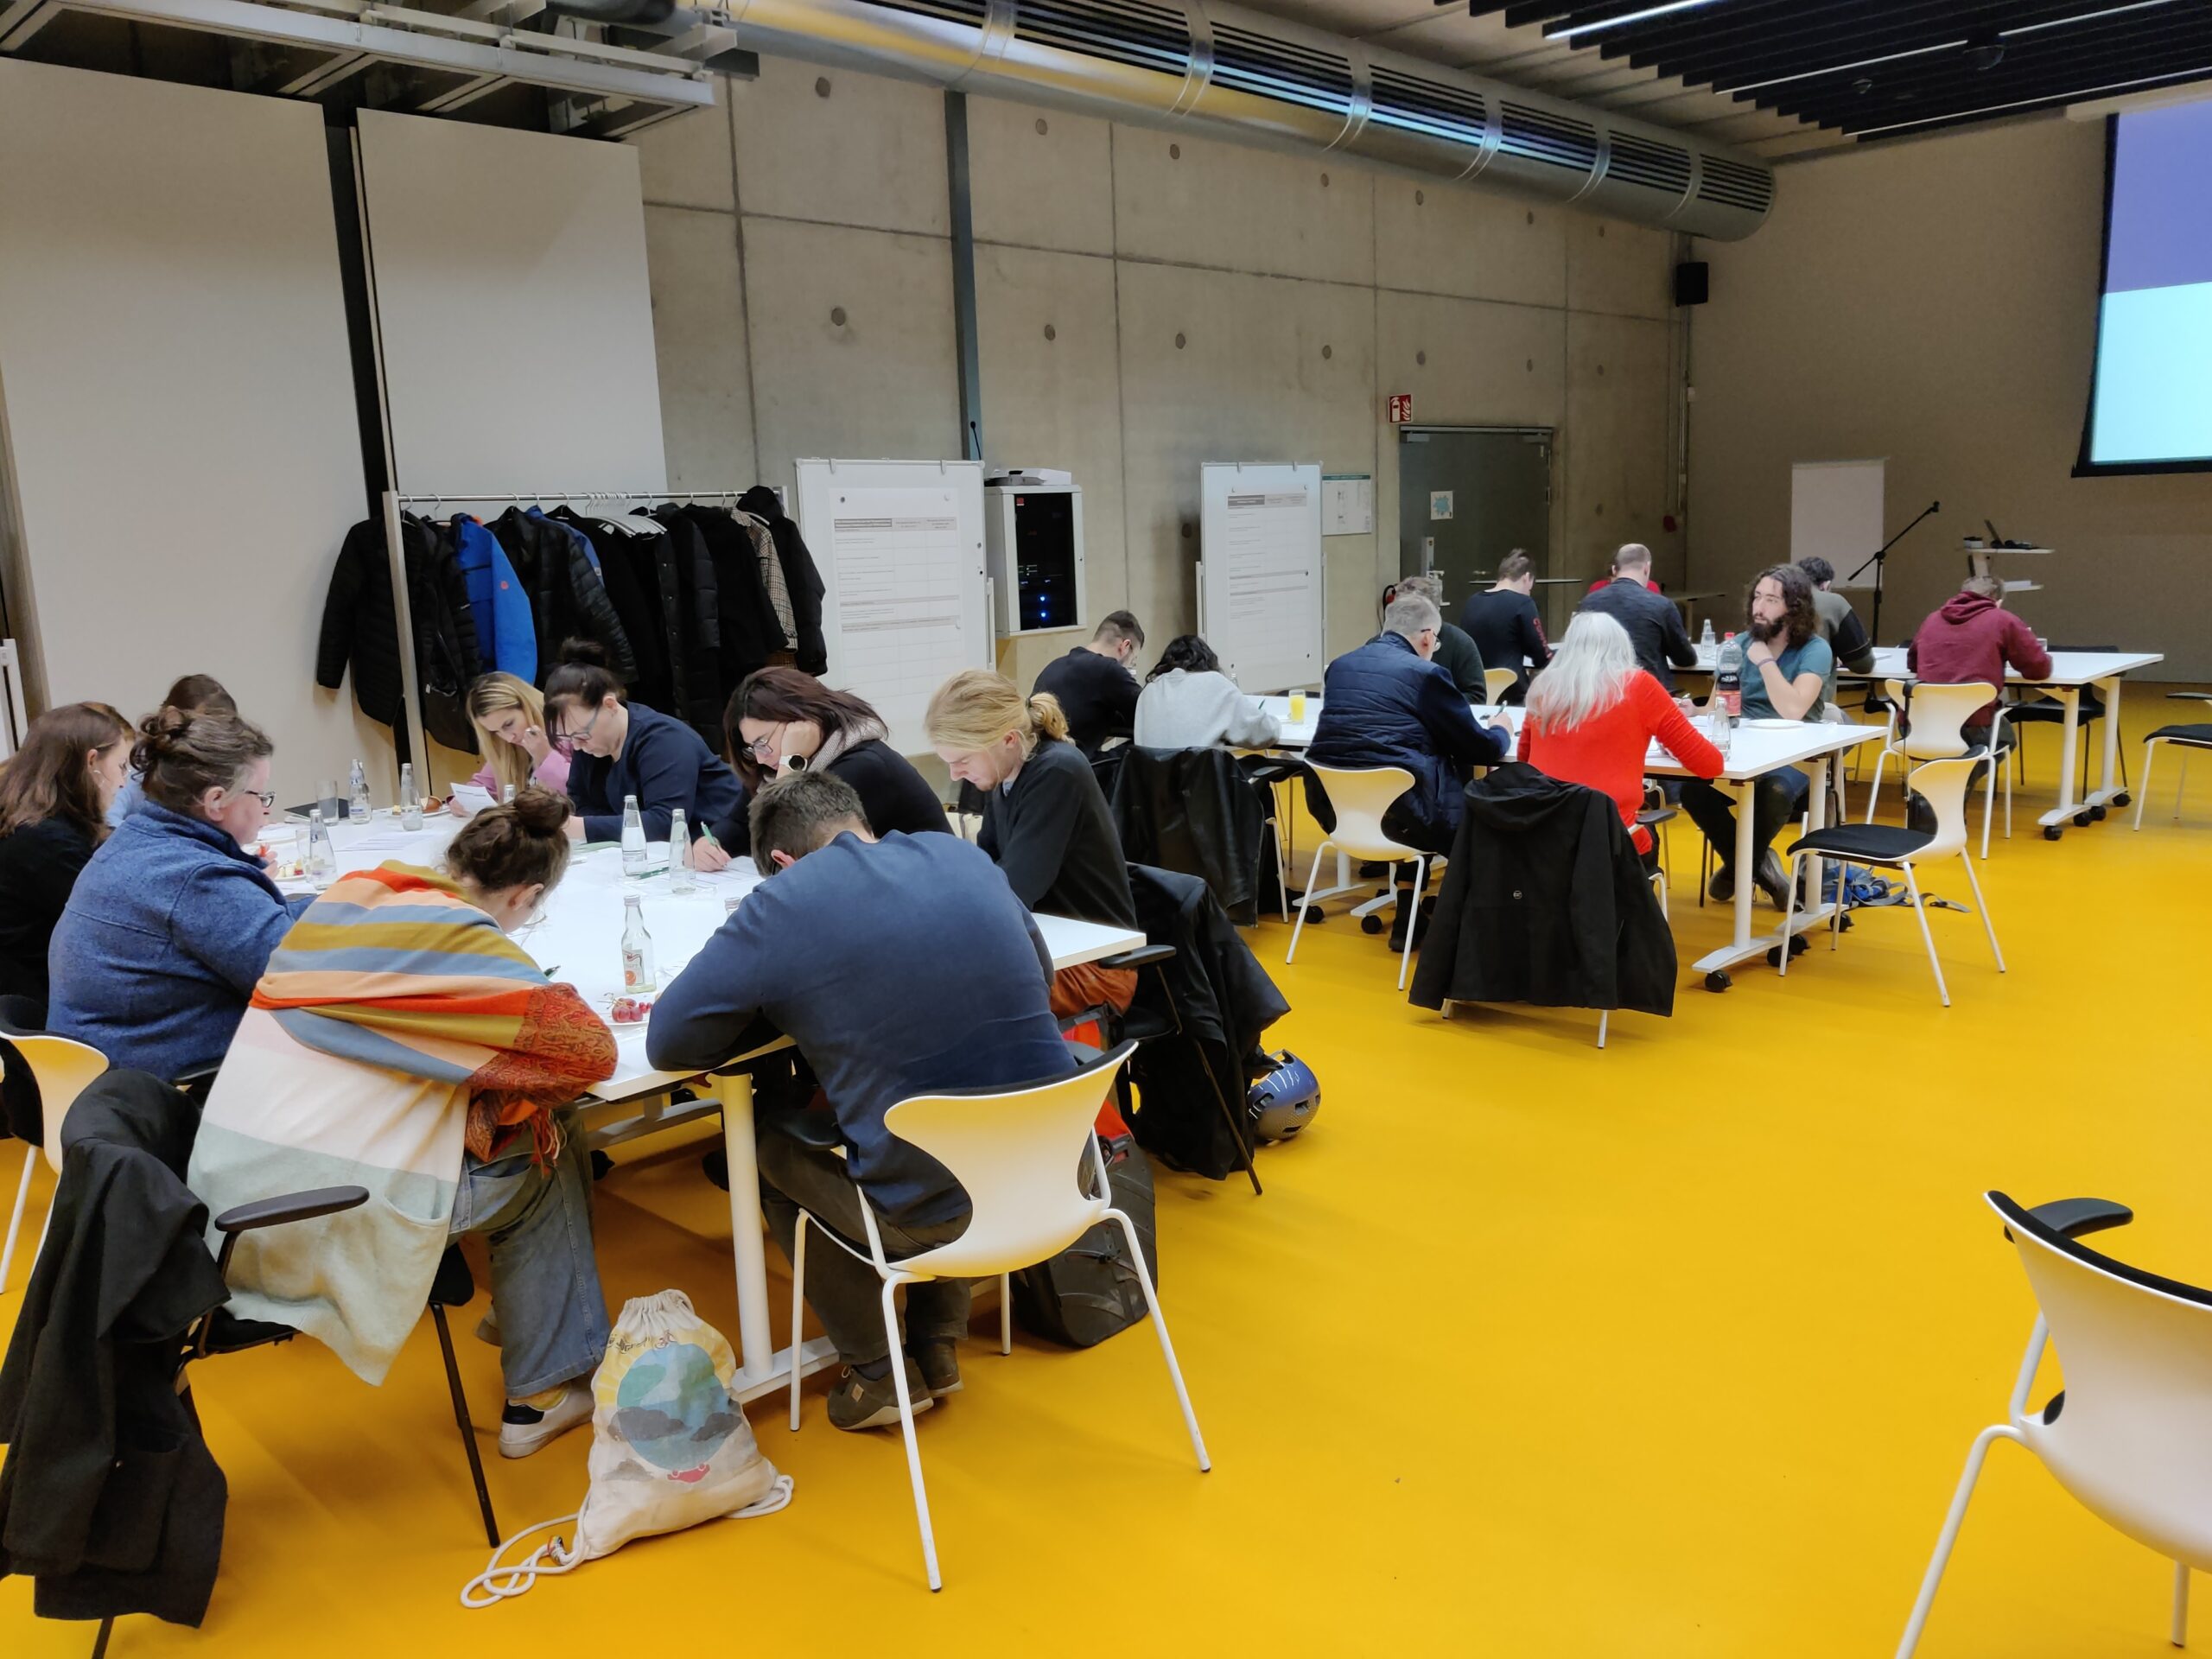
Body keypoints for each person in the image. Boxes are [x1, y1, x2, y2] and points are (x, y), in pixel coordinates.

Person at [189, 790, 617, 1456]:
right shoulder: (464, 938)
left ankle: (533, 1326)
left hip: (226, 1193)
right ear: (526, 896)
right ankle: (541, 1394)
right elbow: (590, 1052)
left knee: (528, 1120)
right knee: (548, 1145)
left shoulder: (359, 894)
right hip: (305, 1216)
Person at [649, 771, 1076, 1430]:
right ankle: (936, 1345)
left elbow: (669, 1042)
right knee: (947, 1106)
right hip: (1062, 1174)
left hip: (942, 1218)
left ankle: (878, 1374)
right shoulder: (960, 856)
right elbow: (1041, 975)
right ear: (860, 823)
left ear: (782, 862)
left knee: (769, 1148)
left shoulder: (783, 905)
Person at [48, 708, 314, 1078]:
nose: (265, 808)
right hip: (159, 1088)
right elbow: (300, 975)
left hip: (103, 1072)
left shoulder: (138, 840)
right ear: (216, 801)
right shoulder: (194, 878)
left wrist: (351, 901)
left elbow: (266, 924)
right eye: (261, 796)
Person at [925, 668, 1140, 1018]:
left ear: (1008, 740)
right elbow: (987, 871)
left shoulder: (1057, 772)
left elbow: (1014, 889)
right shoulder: (1004, 776)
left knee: (944, 998)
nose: (954, 775)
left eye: (962, 760)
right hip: (1045, 950)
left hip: (1096, 967)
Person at [1307, 593, 1511, 948]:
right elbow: (1479, 748)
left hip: (1338, 813)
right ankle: (1466, 927)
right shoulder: (1427, 675)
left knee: (1408, 783)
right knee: (1459, 804)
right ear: (1428, 637)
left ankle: (1409, 913)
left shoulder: (1340, 667)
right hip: (1408, 814)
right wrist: (1501, 730)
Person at [1516, 613, 1722, 872]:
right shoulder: (1639, 687)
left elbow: (1524, 761)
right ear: (1623, 647)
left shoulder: (1543, 689)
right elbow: (1710, 765)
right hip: (1612, 842)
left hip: (1544, 841)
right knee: (1648, 837)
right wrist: (1672, 747)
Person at [1680, 565, 1834, 908]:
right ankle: (1759, 868)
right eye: (1757, 598)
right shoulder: (1739, 645)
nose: (1759, 608)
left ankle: (1738, 869)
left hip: (1797, 754)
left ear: (1794, 608)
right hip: (1745, 749)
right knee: (1692, 789)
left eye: (1771, 600)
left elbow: (1793, 710)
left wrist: (1765, 663)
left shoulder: (1814, 649)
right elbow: (1718, 706)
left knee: (1775, 791)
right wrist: (1695, 711)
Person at [543, 640, 742, 865]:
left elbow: (666, 822)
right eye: (568, 738)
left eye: (581, 735)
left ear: (610, 705)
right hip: (659, 857)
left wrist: (578, 827)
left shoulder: (664, 739)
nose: (577, 746)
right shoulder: (589, 741)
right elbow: (581, 803)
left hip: (719, 853)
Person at [724, 666, 949, 847]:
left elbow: (787, 842)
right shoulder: (773, 768)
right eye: (752, 748)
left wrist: (791, 762)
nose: (760, 758)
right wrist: (714, 843)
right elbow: (737, 824)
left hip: (924, 881)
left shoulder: (862, 765)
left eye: (763, 743)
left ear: (800, 720)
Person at [0, 702, 135, 1005]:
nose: (123, 781)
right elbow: (117, 923)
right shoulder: (45, 841)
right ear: (92, 762)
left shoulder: (37, 821)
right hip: (42, 1004)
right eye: (121, 766)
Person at [1906, 575, 2052, 746]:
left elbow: (1913, 663)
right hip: (1974, 721)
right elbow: (2038, 669)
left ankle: (1940, 763)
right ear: (1998, 601)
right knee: (2004, 740)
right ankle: (1964, 764)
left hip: (1920, 723)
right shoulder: (2003, 620)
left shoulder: (1932, 619)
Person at [105, 672, 234, 828]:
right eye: (205, 730)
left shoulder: (221, 769)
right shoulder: (137, 763)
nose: (212, 742)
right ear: (172, 719)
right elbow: (108, 821)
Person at [1578, 543, 1696, 692]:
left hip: (1600, 693)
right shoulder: (1662, 605)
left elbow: (1580, 651)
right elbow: (1685, 659)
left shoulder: (1589, 602)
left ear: (1614, 569)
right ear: (1647, 568)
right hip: (1649, 692)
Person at [1132, 634, 1280, 749]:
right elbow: (1265, 732)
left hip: (1152, 779)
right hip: (1200, 778)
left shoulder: (1150, 689)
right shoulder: (1215, 682)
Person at [1031, 610, 1145, 759]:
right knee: (1143, 751)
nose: (1129, 666)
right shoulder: (1108, 669)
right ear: (1125, 646)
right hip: (1076, 765)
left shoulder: (1054, 666)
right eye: (1133, 660)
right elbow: (1148, 712)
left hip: (1039, 763)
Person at [455, 672, 570, 815]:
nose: (509, 738)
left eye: (508, 724)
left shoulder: (570, 730)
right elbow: (484, 785)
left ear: (527, 705)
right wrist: (462, 799)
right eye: (495, 732)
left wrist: (546, 757)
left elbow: (579, 792)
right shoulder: (506, 746)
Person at [1461, 550, 1551, 704]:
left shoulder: (1472, 602)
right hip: (1512, 693)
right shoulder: (1523, 603)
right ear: (1526, 577)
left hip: (1476, 691)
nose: (1529, 592)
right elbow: (1541, 656)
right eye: (1530, 587)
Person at [1796, 556, 1878, 700]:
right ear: (1826, 585)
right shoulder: (1833, 603)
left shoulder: (1772, 600)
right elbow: (1863, 665)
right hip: (1814, 703)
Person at [1393, 575, 1487, 697]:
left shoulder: (1460, 643)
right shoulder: (1380, 644)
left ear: (1437, 611)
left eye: (1419, 614)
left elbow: (1476, 696)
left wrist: (1438, 703)